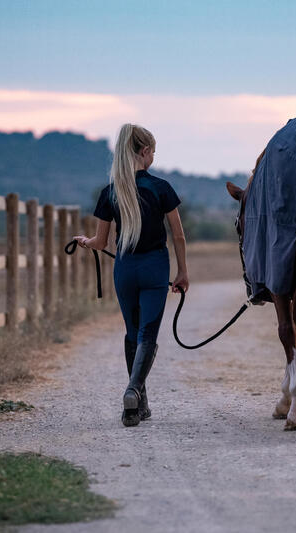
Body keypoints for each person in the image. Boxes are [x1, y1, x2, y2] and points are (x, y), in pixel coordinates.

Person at [73, 124, 189, 427]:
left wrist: (84, 242)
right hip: (154, 268)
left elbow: (100, 242)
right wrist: (183, 272)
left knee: (132, 332)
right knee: (147, 334)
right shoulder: (160, 187)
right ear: (144, 151)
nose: (153, 157)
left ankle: (135, 408)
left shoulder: (110, 191)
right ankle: (133, 390)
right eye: (153, 151)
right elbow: (178, 236)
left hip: (124, 269)